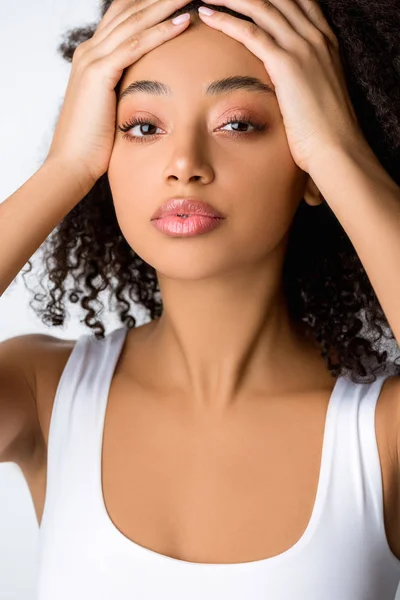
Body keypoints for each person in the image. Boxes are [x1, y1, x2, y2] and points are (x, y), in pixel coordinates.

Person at [1, 0, 400, 597]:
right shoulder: (42, 392)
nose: (184, 164)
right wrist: (66, 166)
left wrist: (340, 156)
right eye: (142, 126)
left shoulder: (379, 434)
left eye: (238, 122)